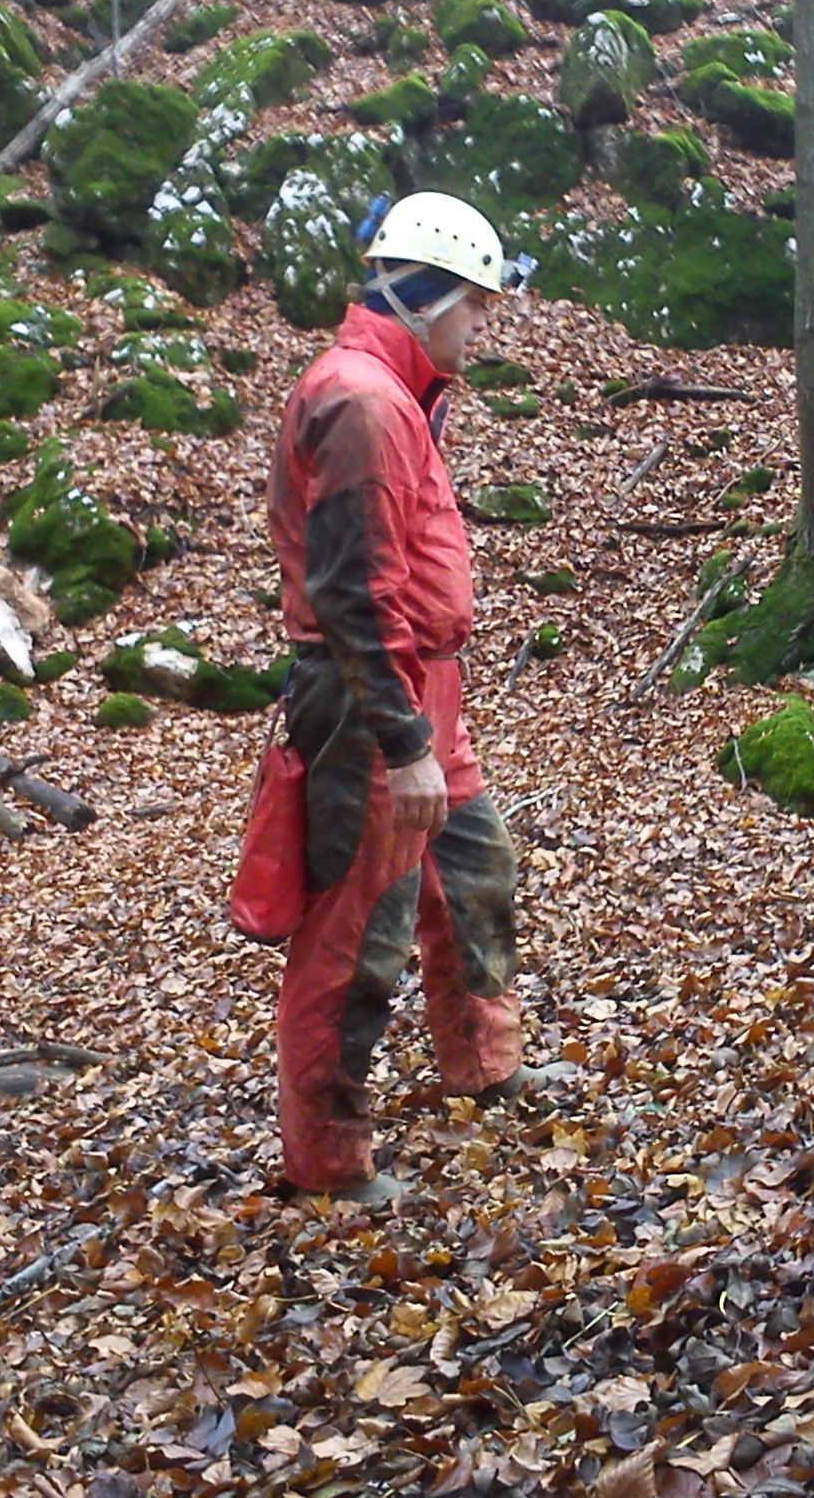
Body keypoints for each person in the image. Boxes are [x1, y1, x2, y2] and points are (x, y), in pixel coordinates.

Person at [265, 190, 557, 1203]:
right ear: (427, 292)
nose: (483, 326)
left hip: (418, 690)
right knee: (354, 936)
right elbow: (353, 594)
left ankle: (485, 1064)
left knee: (475, 871)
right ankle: (330, 1165)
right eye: (476, 305)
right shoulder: (365, 403)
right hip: (368, 703)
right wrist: (402, 744)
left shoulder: (397, 391)